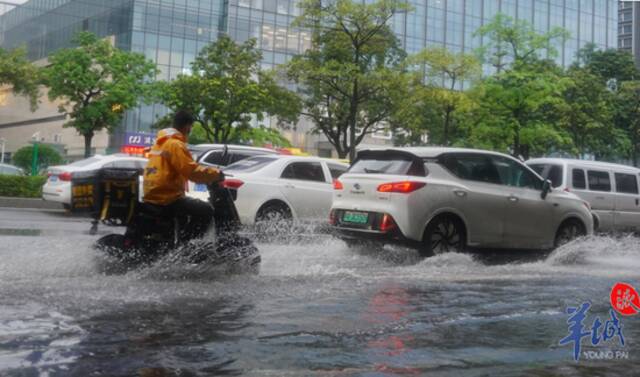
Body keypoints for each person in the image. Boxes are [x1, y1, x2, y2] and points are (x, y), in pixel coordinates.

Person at [143, 110, 223, 241]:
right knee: (205, 210)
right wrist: (216, 174)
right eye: (191, 127)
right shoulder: (175, 144)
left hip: (153, 193)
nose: (190, 130)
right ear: (187, 126)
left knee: (188, 209)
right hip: (167, 197)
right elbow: (191, 171)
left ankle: (180, 242)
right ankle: (186, 248)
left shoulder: (160, 142)